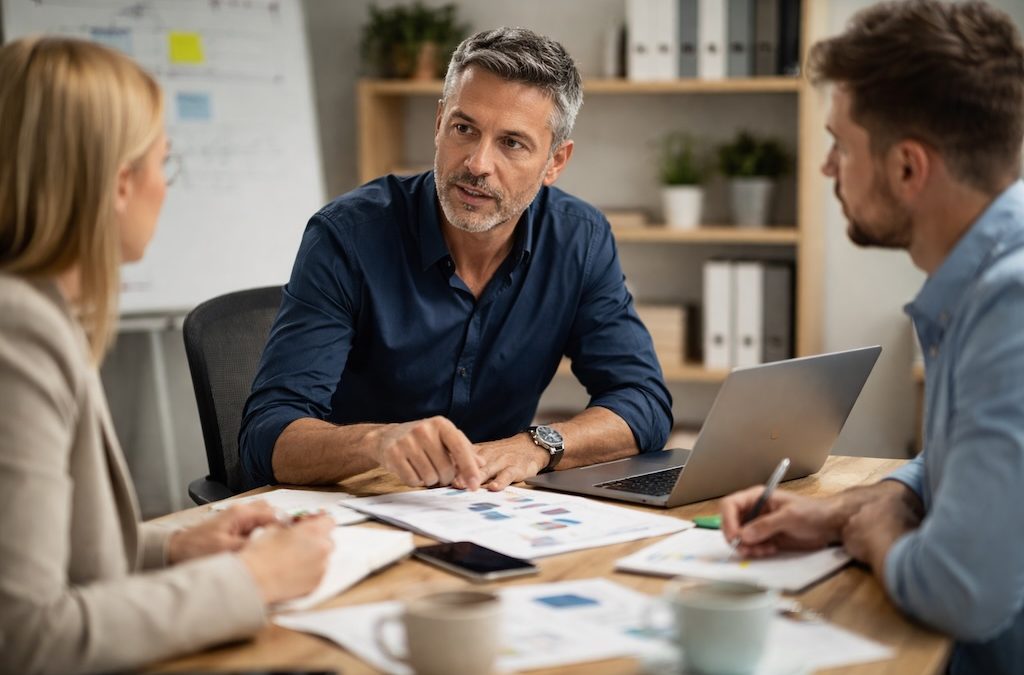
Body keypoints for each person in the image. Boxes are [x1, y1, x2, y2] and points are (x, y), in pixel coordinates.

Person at [0, 37, 335, 675]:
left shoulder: (36, 310)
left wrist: (175, 548)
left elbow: (56, 554)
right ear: (119, 184)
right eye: (163, 162)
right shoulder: (15, 334)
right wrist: (252, 581)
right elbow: (24, 636)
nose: (165, 185)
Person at [719, 2, 1024, 673]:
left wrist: (877, 530)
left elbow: (961, 591)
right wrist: (852, 510)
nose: (828, 167)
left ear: (909, 168)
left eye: (841, 145)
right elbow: (974, 464)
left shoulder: (1011, 303)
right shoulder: (985, 279)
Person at [240, 27, 673, 493]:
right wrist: (377, 442)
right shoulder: (347, 236)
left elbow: (644, 401)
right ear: (439, 122)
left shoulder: (579, 239)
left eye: (512, 143)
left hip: (491, 506)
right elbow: (267, 436)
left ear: (554, 162)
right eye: (464, 129)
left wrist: (537, 445)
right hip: (354, 508)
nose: (477, 164)